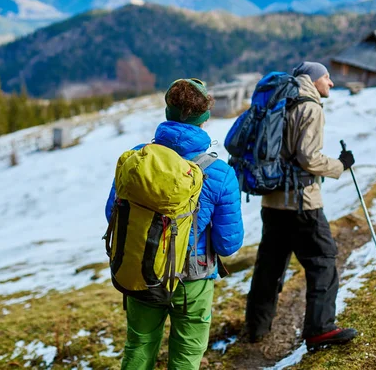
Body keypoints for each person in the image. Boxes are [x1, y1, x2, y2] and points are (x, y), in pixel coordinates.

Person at [105, 78, 244, 369]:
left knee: (139, 348)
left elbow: (112, 214)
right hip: (192, 280)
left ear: (167, 113)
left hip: (143, 270)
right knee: (185, 358)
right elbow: (227, 244)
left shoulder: (137, 159)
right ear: (204, 118)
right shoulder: (220, 173)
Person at [244, 62, 358, 350]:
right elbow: (309, 159)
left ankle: (256, 327)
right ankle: (320, 328)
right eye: (327, 78)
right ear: (313, 80)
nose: (330, 83)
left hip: (271, 202)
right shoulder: (311, 108)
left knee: (269, 266)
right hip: (302, 203)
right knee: (323, 261)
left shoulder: (280, 102)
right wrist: (341, 165)